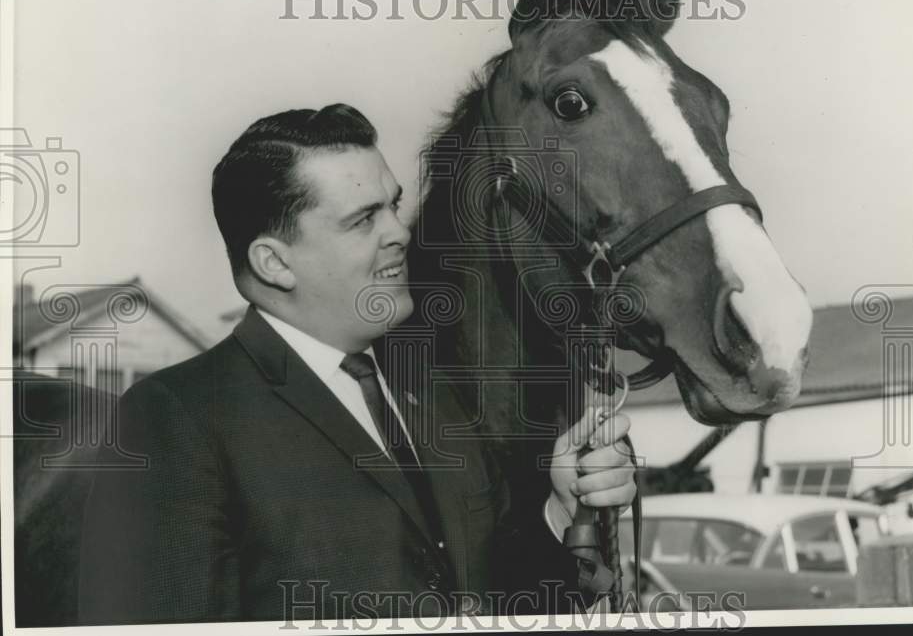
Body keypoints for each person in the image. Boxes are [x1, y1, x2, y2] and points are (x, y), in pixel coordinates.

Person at [78, 104, 634, 624]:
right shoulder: (178, 418)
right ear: (274, 263)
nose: (399, 232)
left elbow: (501, 604)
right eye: (363, 219)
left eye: (392, 205)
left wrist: (561, 512)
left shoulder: (433, 394)